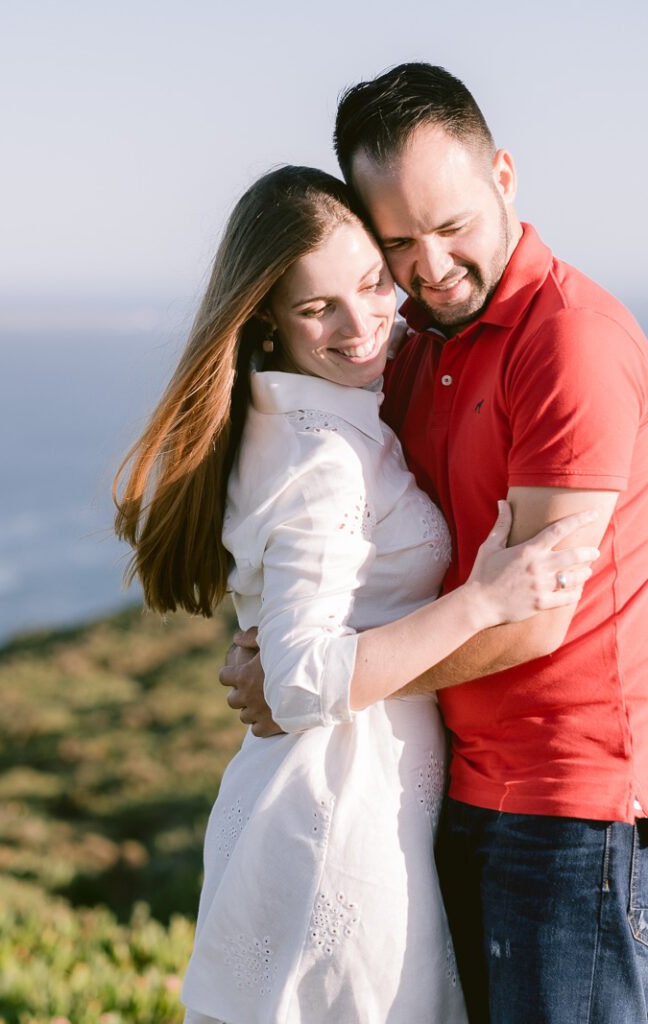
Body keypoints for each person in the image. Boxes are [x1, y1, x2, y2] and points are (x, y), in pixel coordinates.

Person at [113, 165, 597, 1024]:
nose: (364, 322)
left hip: (348, 801)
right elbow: (298, 680)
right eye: (316, 308)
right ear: (266, 316)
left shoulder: (316, 415)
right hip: (338, 818)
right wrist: (484, 602)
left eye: (373, 282)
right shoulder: (322, 463)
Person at [222, 65, 648, 1023]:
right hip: (453, 789)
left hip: (568, 806)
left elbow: (537, 618)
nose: (431, 264)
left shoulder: (568, 341)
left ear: (504, 174)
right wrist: (288, 650)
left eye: (451, 225)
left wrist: (315, 685)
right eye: (399, 244)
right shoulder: (414, 348)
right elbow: (329, 532)